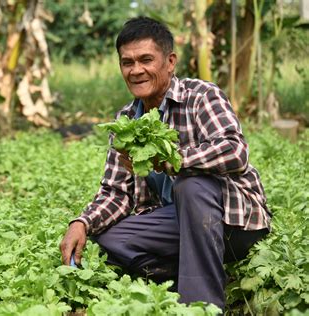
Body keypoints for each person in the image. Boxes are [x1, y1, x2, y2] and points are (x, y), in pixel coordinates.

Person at [59, 17, 271, 309]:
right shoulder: (126, 121)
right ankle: (181, 272)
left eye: (146, 59)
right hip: (177, 221)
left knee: (192, 185)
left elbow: (235, 151)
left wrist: (174, 160)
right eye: (127, 62)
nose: (136, 70)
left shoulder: (201, 96)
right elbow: (116, 192)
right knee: (107, 239)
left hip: (231, 222)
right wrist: (81, 222)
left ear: (170, 61)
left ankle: (201, 307)